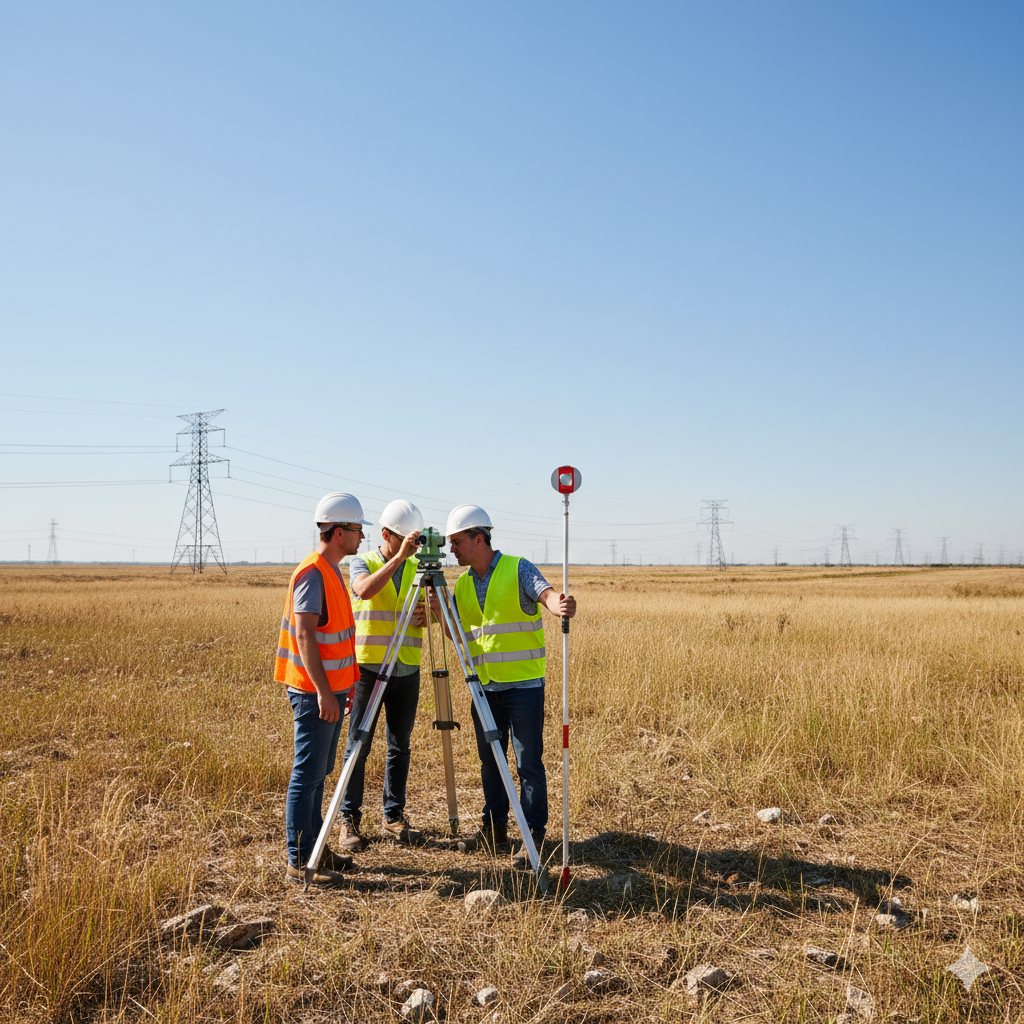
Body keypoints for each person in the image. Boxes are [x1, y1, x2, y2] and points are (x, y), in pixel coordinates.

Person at [442, 504, 577, 855]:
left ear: (479, 539)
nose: (451, 549)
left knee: (527, 761)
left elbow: (545, 594)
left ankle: (533, 833)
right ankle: (495, 829)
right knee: (492, 762)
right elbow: (454, 633)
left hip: (523, 686)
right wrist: (437, 604)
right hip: (484, 687)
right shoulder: (463, 584)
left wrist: (558, 605)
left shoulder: (518, 568)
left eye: (456, 541)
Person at [274, 491, 369, 886]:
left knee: (319, 772)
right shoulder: (312, 572)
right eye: (357, 529)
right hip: (315, 694)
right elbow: (305, 635)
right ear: (337, 531)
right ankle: (300, 861)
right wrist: (324, 692)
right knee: (307, 774)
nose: (362, 536)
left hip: (330, 692)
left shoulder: (331, 572)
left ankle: (316, 848)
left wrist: (340, 689)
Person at [338, 499, 428, 850]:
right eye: (403, 540)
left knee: (399, 746)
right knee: (358, 745)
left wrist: (430, 614)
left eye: (413, 542)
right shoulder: (364, 561)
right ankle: (349, 820)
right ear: (387, 534)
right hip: (370, 667)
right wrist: (399, 559)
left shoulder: (420, 565)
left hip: (407, 667)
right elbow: (364, 590)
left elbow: (428, 615)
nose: (410, 546)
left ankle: (393, 816)